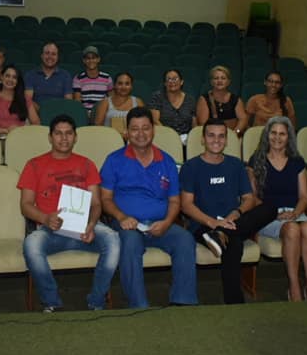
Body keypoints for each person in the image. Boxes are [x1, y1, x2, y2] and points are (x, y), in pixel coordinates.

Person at [19, 114, 120, 312]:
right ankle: (52, 302)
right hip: (50, 230)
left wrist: (91, 224)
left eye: (68, 134)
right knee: (31, 244)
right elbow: (25, 205)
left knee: (113, 239)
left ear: (75, 137)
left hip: (84, 229)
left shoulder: (86, 164)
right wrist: (45, 218)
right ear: (50, 137)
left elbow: (97, 204)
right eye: (58, 134)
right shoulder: (34, 165)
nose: (63, 138)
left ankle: (97, 300)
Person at [100, 106, 197, 308]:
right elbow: (105, 199)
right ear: (126, 132)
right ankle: (139, 304)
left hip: (161, 223)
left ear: (153, 130)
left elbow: (174, 201)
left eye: (145, 128)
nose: (141, 134)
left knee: (185, 240)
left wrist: (167, 222)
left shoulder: (167, 161)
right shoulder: (114, 160)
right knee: (131, 243)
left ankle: (183, 301)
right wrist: (121, 217)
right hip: (128, 225)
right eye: (134, 129)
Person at [179, 118, 255, 304]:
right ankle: (234, 302)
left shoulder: (236, 165)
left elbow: (249, 199)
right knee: (234, 243)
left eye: (222, 136)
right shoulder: (191, 167)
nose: (216, 140)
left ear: (227, 140)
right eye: (211, 135)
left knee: (268, 209)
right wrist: (213, 223)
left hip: (232, 221)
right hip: (204, 226)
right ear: (203, 139)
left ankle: (222, 232)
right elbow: (186, 205)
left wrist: (235, 214)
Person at [248, 117, 307, 301]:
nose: (277, 138)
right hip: (267, 214)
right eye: (273, 133)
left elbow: (304, 197)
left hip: (294, 212)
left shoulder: (297, 161)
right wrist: (276, 214)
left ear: (289, 137)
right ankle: (294, 286)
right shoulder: (256, 160)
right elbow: (252, 198)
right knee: (292, 229)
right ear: (267, 135)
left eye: (282, 134)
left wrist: (295, 213)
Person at [0, 64, 40, 136]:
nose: (10, 80)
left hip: (18, 138)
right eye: (7, 76)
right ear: (1, 78)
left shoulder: (24, 98)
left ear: (17, 81)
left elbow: (36, 123)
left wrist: (21, 130)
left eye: (14, 77)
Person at [195, 65, 248, 138]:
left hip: (233, 136)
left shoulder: (236, 99)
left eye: (223, 78)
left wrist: (235, 133)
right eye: (216, 78)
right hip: (211, 138)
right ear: (211, 82)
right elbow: (203, 124)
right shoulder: (204, 99)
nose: (219, 81)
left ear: (228, 82)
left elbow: (243, 119)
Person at [93, 72, 144, 140]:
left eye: (127, 84)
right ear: (114, 86)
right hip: (109, 140)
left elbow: (143, 124)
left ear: (131, 86)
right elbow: (98, 127)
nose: (123, 87)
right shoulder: (105, 102)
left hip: (133, 141)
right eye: (120, 83)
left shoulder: (138, 102)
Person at [149, 68, 197, 141]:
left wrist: (191, 139)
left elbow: (194, 124)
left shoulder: (190, 100)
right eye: (169, 79)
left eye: (175, 79)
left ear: (181, 82)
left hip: (186, 140)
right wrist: (171, 137)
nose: (172, 82)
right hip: (164, 138)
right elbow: (155, 121)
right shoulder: (157, 97)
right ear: (165, 83)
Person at [72, 46, 112, 121]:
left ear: (98, 59)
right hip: (84, 114)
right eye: (88, 58)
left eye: (93, 58)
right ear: (84, 60)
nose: (91, 60)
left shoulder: (107, 78)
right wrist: (85, 114)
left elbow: (111, 100)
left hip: (102, 114)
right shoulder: (78, 78)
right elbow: (77, 101)